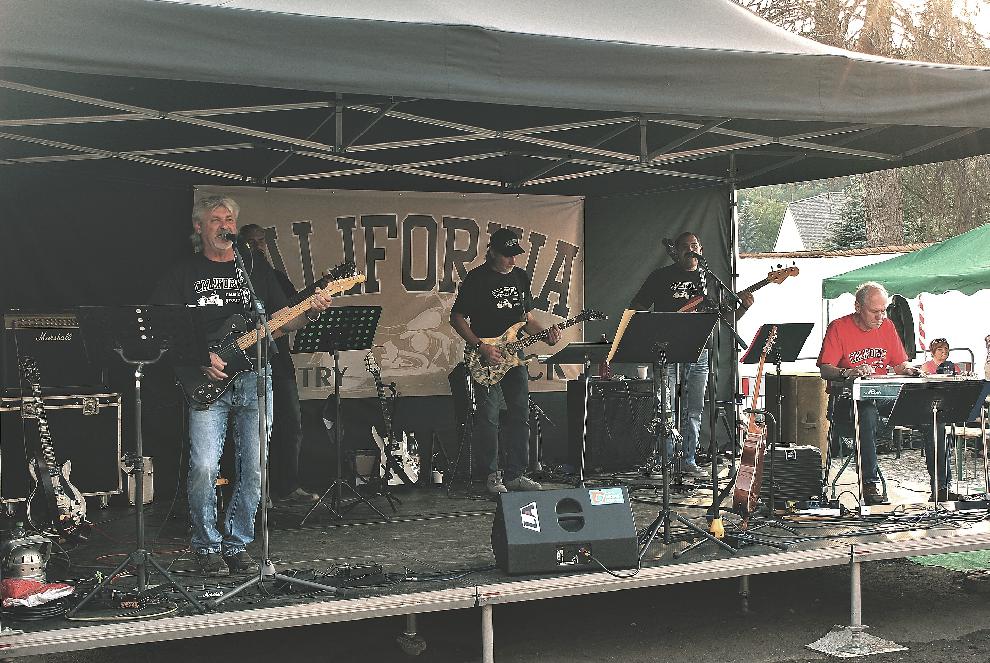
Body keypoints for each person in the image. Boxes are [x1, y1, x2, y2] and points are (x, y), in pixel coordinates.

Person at [152, 195, 333, 577]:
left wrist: (310, 312)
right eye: (216, 219)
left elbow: (281, 323)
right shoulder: (182, 273)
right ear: (199, 227)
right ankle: (206, 547)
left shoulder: (253, 269)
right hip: (206, 378)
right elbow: (162, 328)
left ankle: (237, 545)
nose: (225, 225)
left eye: (230, 219)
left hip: (255, 378)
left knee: (255, 467)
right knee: (204, 467)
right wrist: (199, 357)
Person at [629, 232, 754, 477]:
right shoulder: (660, 277)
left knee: (694, 409)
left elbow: (725, 319)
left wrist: (743, 309)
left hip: (699, 351)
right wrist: (658, 326)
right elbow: (637, 308)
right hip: (666, 351)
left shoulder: (710, 281)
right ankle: (664, 462)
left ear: (701, 250)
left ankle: (688, 460)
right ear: (676, 251)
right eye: (685, 246)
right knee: (665, 408)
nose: (690, 249)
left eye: (694, 245)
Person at [817, 282, 953, 505]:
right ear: (858, 307)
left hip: (885, 399)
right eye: (875, 311)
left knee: (933, 414)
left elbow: (899, 364)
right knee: (867, 412)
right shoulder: (838, 327)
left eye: (883, 311)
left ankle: (942, 488)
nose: (880, 317)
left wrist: (909, 369)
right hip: (847, 403)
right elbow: (825, 369)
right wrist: (847, 372)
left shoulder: (887, 326)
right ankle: (869, 486)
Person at [449, 228, 561, 495]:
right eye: (507, 255)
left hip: (514, 356)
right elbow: (457, 317)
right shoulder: (477, 279)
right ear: (492, 252)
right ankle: (491, 475)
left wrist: (546, 335)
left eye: (515, 255)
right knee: (488, 417)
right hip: (485, 356)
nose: (512, 260)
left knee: (520, 414)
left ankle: (515, 474)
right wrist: (481, 346)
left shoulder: (520, 277)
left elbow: (527, 319)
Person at [238, 224, 319, 506]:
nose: (258, 246)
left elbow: (292, 315)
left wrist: (311, 309)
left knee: (291, 424)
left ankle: (287, 486)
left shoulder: (277, 278)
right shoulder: (235, 279)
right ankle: (255, 492)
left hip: (278, 361)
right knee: (254, 431)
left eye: (261, 241)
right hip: (244, 365)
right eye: (252, 242)